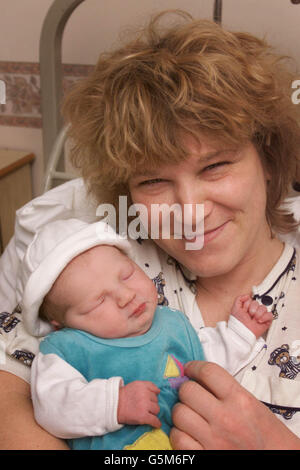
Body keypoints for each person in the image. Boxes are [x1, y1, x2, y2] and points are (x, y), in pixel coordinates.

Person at [0, 10, 300, 450]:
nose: (191, 213)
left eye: (215, 166)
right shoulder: (92, 263)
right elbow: (9, 399)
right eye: (153, 181)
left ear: (268, 161)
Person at [23, 219, 271, 450]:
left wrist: (240, 332)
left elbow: (204, 362)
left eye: (127, 275)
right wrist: (115, 404)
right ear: (61, 324)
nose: (126, 296)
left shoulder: (173, 323)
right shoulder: (66, 349)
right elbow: (52, 406)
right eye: (98, 302)